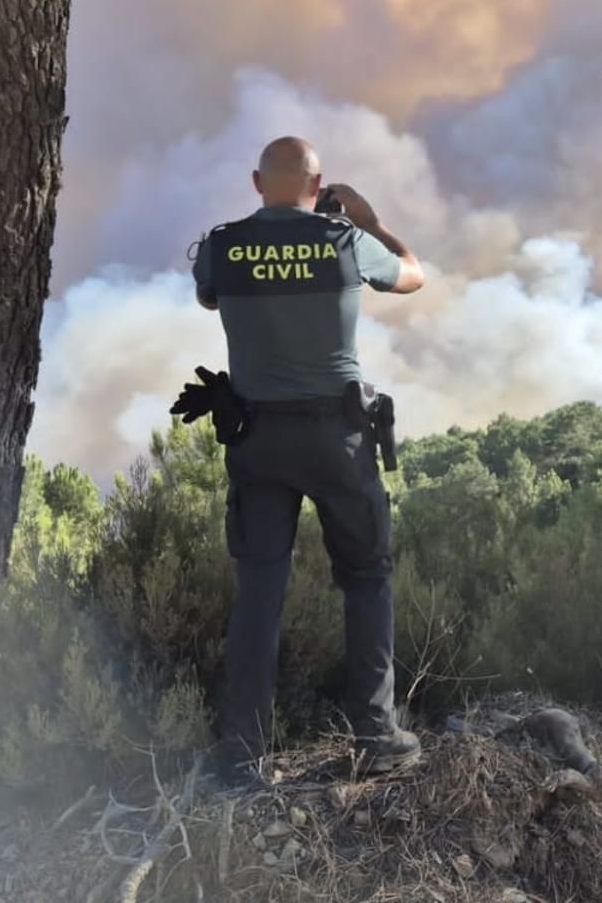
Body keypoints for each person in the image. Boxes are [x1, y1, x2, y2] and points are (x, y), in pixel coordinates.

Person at [189, 135, 426, 789]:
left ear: (257, 181)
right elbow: (414, 275)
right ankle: (377, 739)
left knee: (260, 592)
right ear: (320, 188)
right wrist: (369, 220)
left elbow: (210, 296)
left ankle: (242, 758)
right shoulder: (349, 242)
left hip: (257, 441)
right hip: (337, 440)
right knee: (367, 576)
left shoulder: (222, 245)